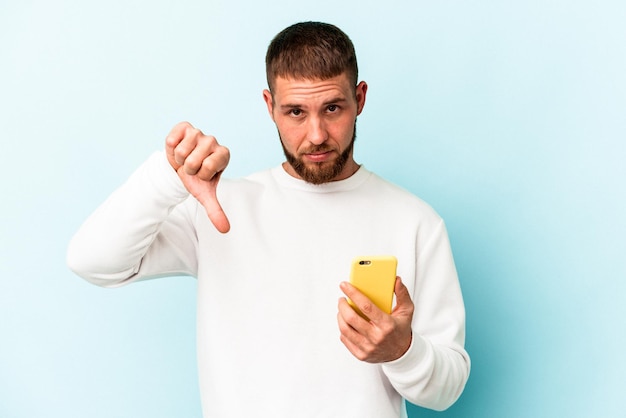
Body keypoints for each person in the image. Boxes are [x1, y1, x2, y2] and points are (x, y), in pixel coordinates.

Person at [67, 21, 470, 418]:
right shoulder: (220, 207)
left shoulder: (414, 221)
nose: (315, 135)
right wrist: (168, 179)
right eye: (295, 111)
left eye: (332, 108)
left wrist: (403, 352)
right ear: (269, 105)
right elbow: (92, 262)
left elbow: (447, 389)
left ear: (359, 99)